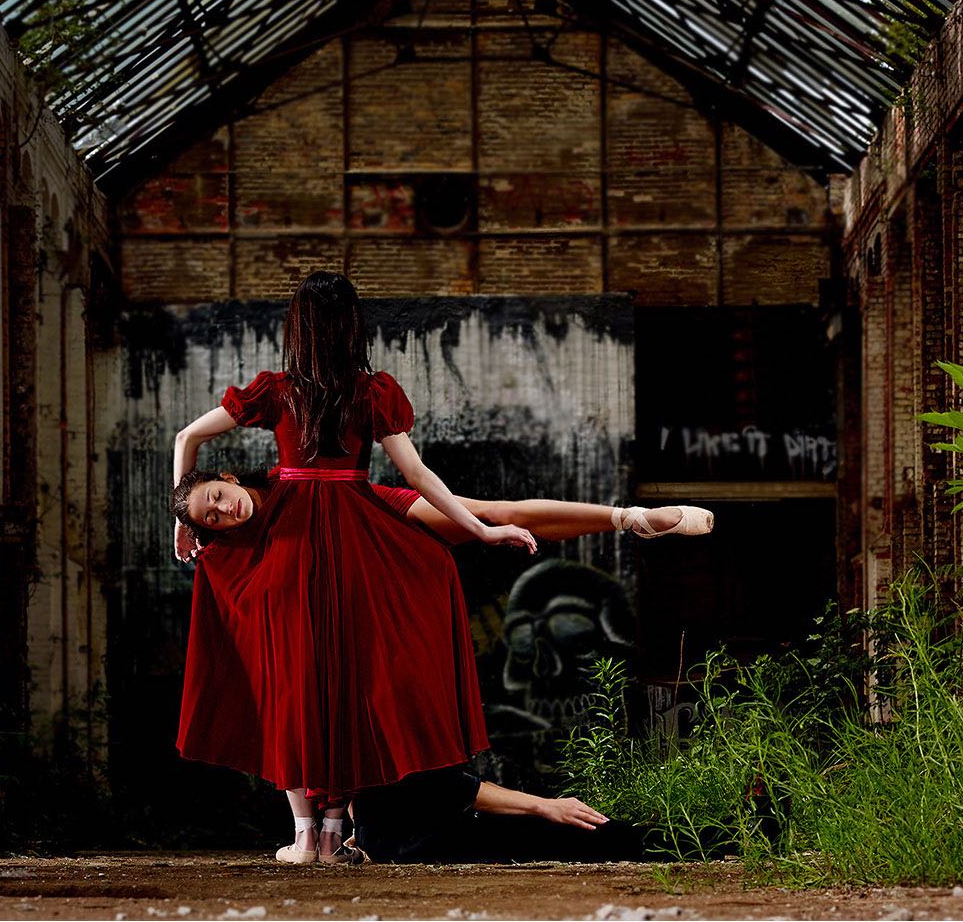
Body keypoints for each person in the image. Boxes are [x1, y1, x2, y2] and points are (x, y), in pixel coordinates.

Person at [170, 271, 538, 866]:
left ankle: (305, 835)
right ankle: (338, 835)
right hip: (357, 537)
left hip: (289, 540)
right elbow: (419, 477)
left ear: (299, 327)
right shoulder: (371, 392)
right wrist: (480, 530)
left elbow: (187, 436)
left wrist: (184, 521)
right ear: (353, 328)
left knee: (292, 680)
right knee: (346, 679)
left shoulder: (279, 390)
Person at [170, 466, 714, 559]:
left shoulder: (280, 475)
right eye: (210, 518)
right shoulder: (237, 544)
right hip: (361, 568)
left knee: (491, 514)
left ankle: (631, 519)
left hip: (377, 511)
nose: (223, 511)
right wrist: (190, 527)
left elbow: (186, 434)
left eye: (216, 497)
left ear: (229, 478)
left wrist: (180, 518)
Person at [338, 765, 645, 864]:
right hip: (422, 841)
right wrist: (545, 805)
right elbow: (457, 789)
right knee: (572, 832)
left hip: (399, 837)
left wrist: (365, 825)